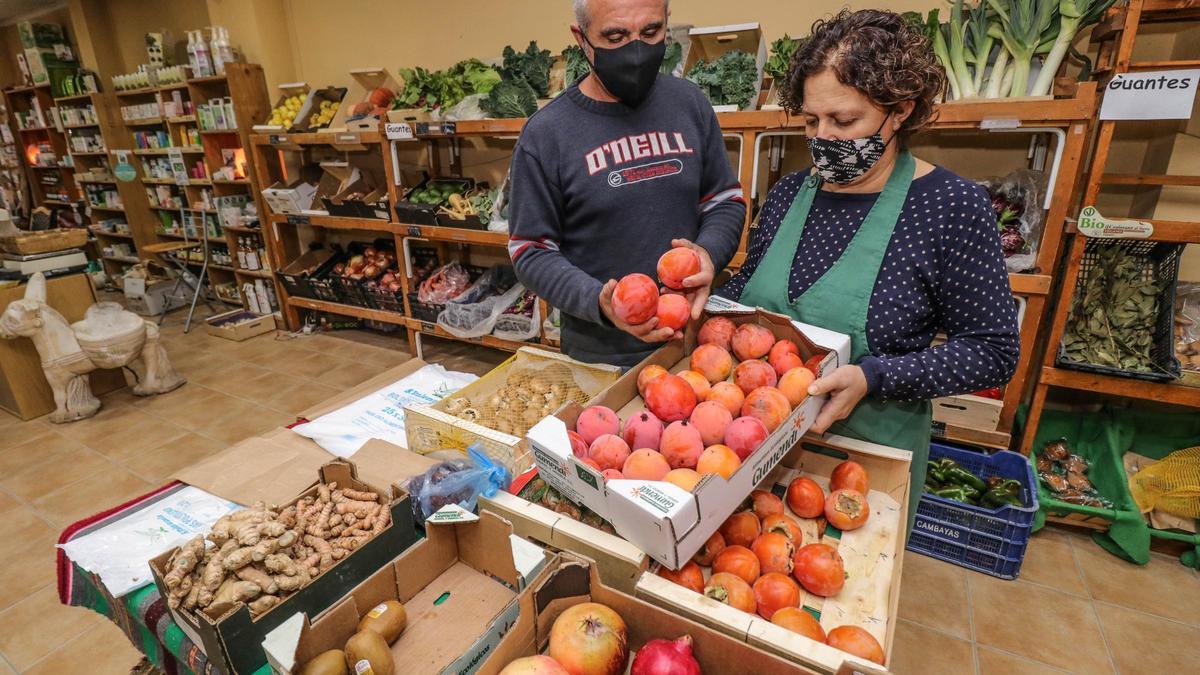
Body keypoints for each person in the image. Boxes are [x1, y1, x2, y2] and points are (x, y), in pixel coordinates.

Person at [719, 9, 1019, 531]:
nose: (824, 138)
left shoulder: (951, 206)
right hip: (757, 451)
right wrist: (711, 306)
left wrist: (875, 375)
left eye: (845, 121)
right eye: (811, 121)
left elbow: (993, 351)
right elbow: (750, 290)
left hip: (864, 465)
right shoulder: (791, 193)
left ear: (900, 110)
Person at [508, 0, 746, 368]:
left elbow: (724, 201)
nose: (636, 51)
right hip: (600, 357)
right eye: (616, 36)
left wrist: (708, 254)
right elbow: (530, 250)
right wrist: (599, 302)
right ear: (581, 38)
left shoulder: (690, 104)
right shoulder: (546, 135)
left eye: (651, 32)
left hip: (695, 346)